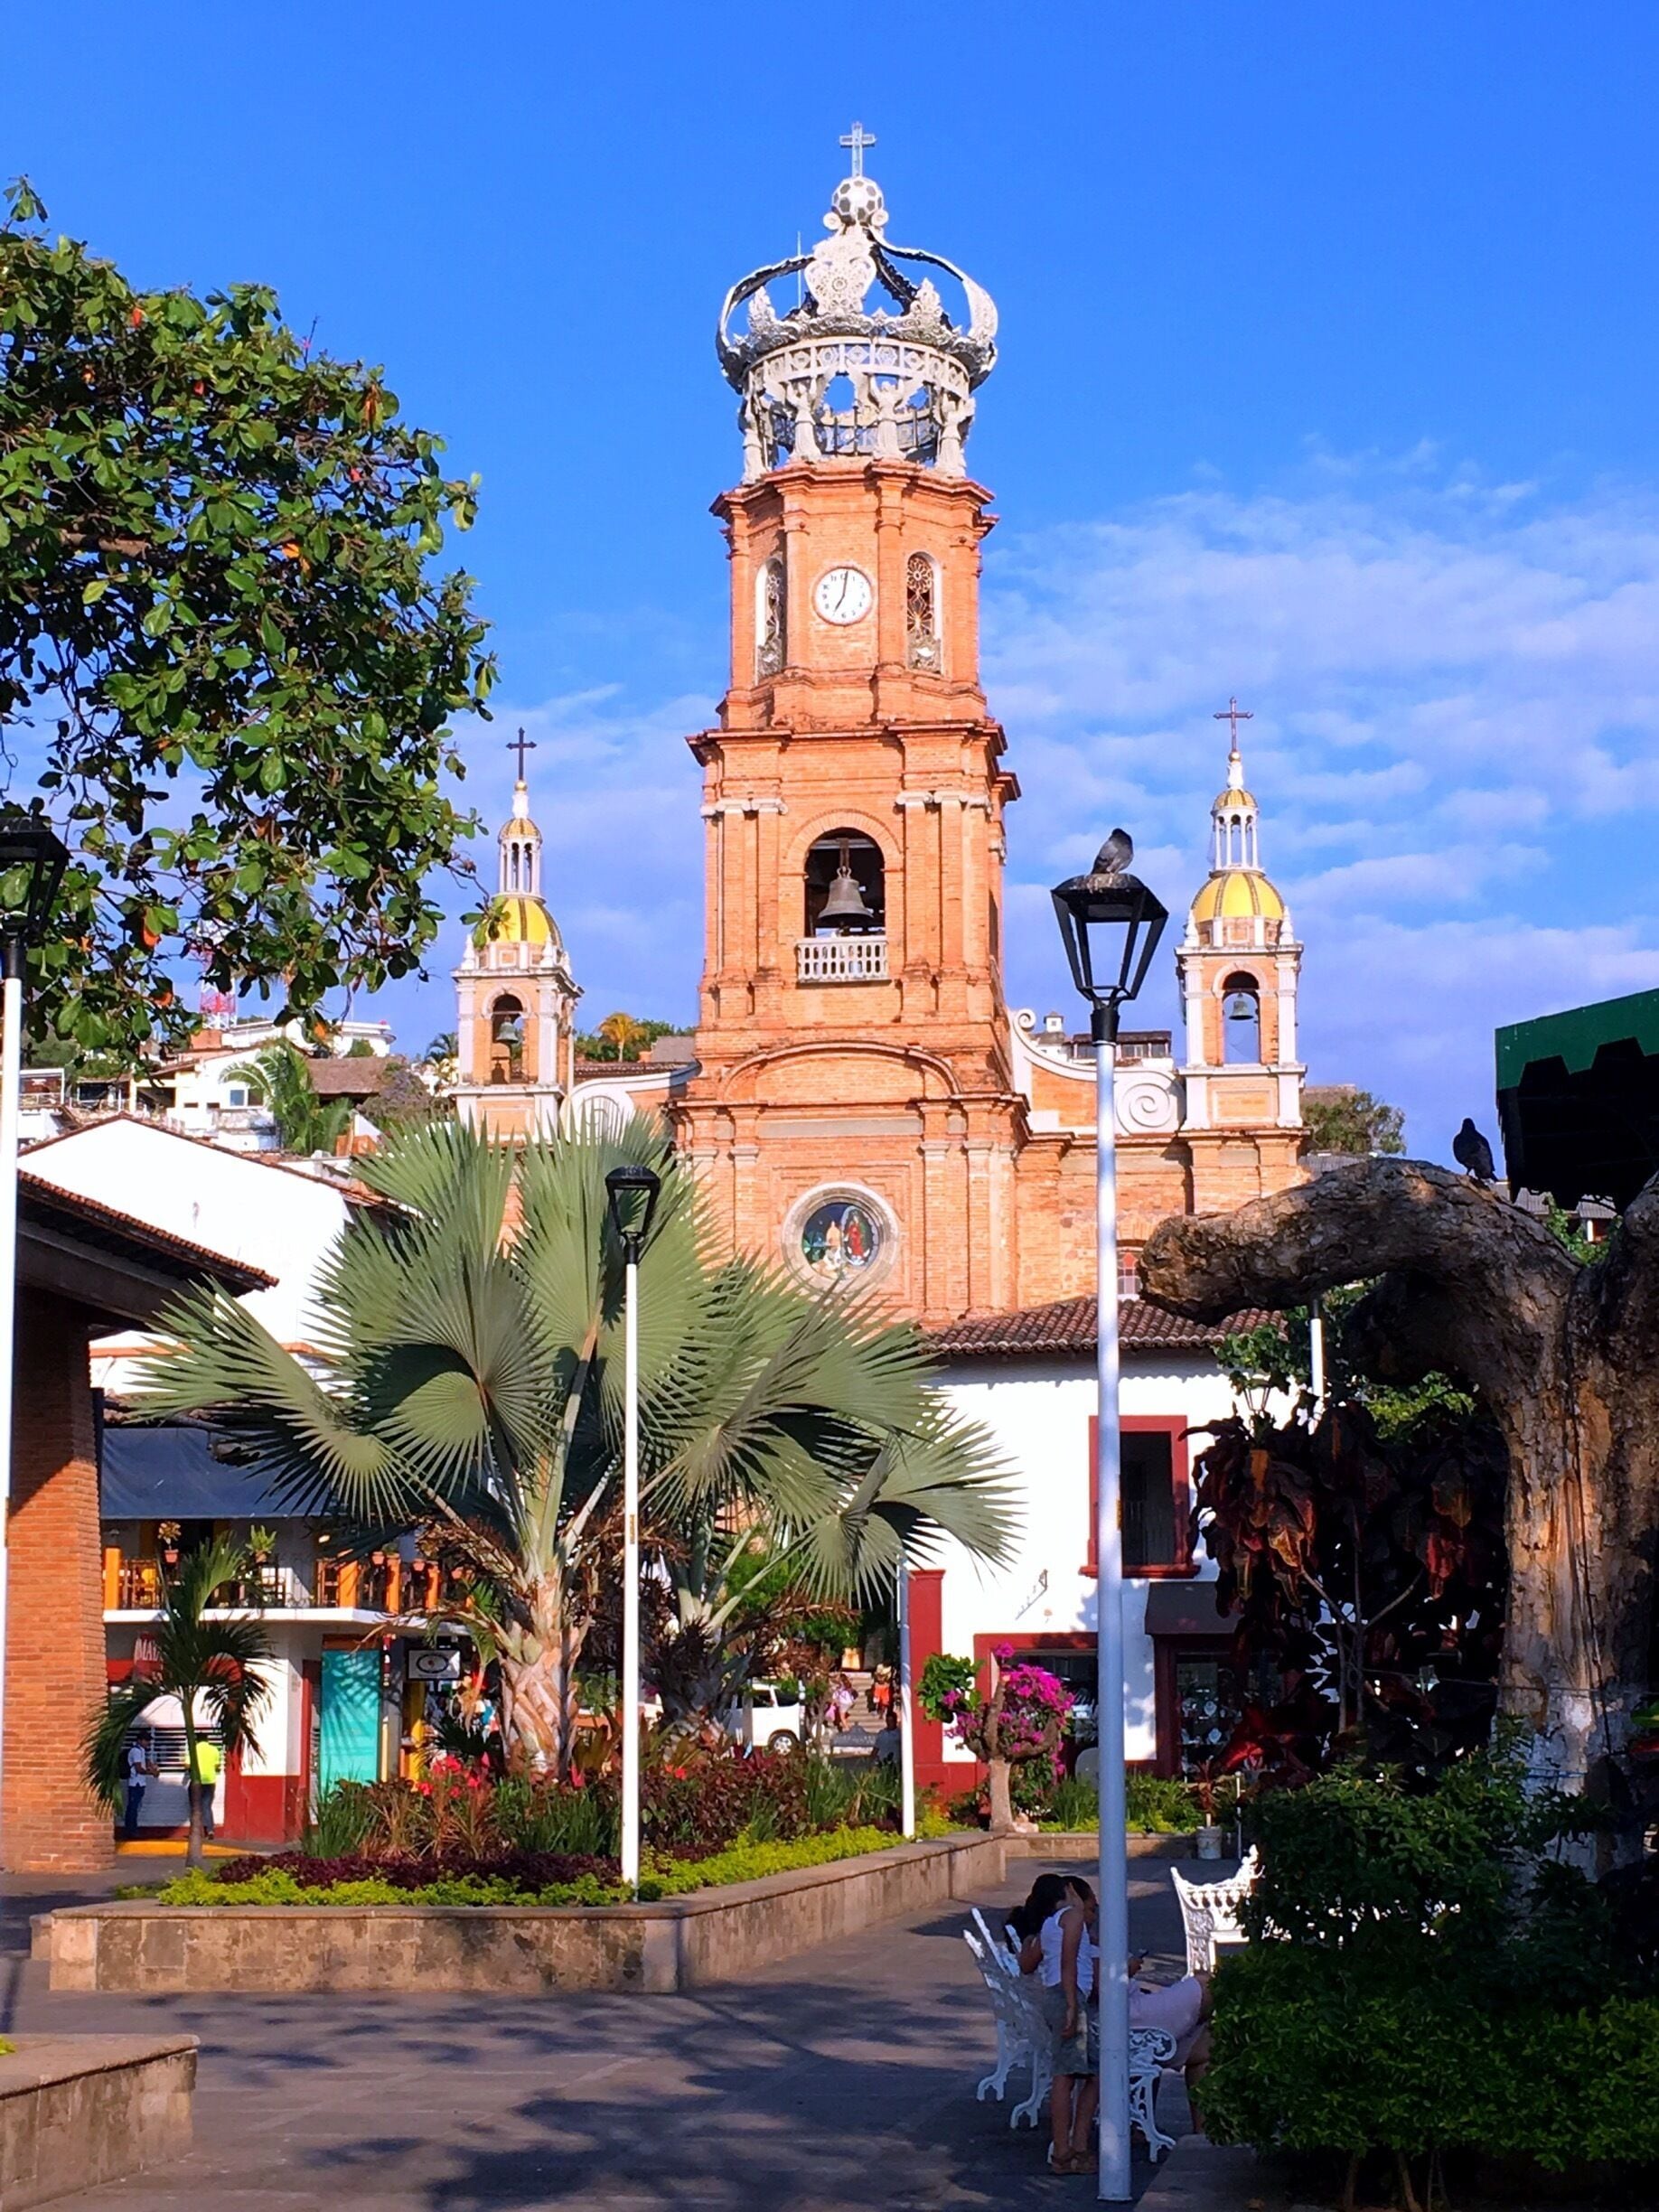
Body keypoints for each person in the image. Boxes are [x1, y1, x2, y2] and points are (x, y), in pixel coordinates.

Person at [1036, 1874, 1100, 2173]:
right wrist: (1073, 2005)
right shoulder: (1072, 1917)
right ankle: (1065, 2151)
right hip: (1067, 1997)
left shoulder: (1050, 1923)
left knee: (1092, 2073)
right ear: (1068, 1891)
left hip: (1062, 1996)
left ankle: (1076, 2145)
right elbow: (1068, 1962)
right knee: (1066, 2075)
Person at [120, 1733, 154, 1841]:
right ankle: (130, 1830)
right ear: (140, 1740)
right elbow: (139, 1768)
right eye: (146, 1740)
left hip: (140, 1783)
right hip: (135, 1783)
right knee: (132, 1808)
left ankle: (132, 1829)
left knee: (135, 1807)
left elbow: (145, 1763)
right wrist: (151, 1772)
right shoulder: (135, 1751)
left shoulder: (142, 1751)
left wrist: (151, 1766)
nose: (148, 1743)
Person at [188, 1734, 221, 1842]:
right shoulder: (214, 1750)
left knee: (195, 1807)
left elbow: (187, 1765)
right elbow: (217, 1765)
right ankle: (210, 1830)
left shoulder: (193, 1749)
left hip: (197, 1781)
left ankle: (195, 1831)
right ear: (207, 1740)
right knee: (207, 1806)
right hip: (210, 1781)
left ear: (197, 1740)